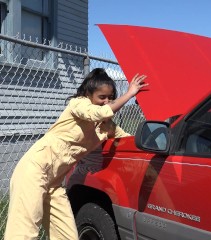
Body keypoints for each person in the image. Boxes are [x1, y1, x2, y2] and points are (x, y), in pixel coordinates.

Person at [4, 68, 148, 240]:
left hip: (54, 183)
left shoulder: (106, 126)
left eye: (110, 98)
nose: (106, 102)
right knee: (24, 233)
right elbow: (98, 112)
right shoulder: (78, 104)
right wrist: (130, 93)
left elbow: (128, 139)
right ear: (89, 95)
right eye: (102, 97)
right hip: (34, 170)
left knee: (67, 236)